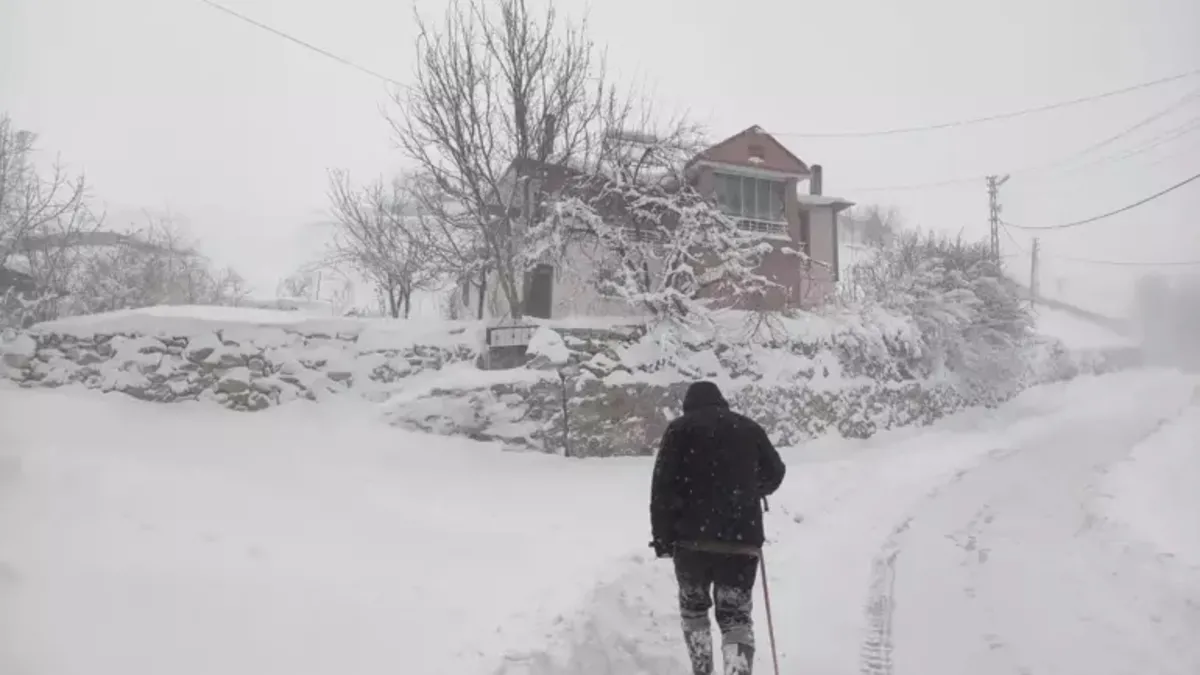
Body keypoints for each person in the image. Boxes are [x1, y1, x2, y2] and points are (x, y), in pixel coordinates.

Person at [650, 381, 786, 675]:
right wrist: (750, 490)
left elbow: (661, 488)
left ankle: (702, 668)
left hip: (690, 543)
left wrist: (662, 539)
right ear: (721, 402)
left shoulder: (679, 430)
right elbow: (776, 472)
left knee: (694, 610)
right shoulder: (748, 428)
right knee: (735, 617)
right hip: (741, 541)